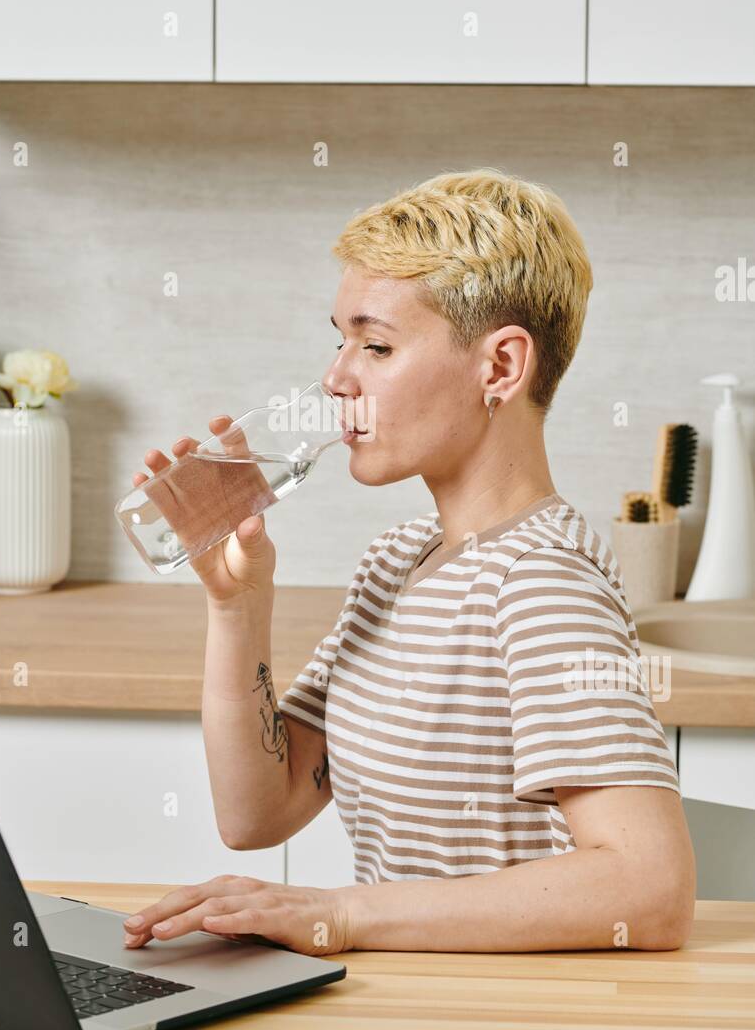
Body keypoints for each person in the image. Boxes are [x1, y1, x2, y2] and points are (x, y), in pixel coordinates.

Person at [121, 168, 696, 956]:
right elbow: (258, 813)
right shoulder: (399, 563)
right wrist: (237, 606)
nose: (335, 377)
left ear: (499, 368)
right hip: (402, 1005)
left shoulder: (542, 580)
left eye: (377, 345)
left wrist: (345, 914)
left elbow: (649, 887)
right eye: (340, 339)